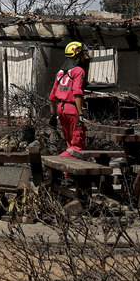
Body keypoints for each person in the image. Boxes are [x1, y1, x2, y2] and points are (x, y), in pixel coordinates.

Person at [48, 41, 91, 181]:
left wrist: (53, 115)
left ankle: (67, 176)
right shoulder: (79, 71)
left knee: (70, 144)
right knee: (77, 146)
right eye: (84, 54)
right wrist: (81, 114)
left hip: (61, 110)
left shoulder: (60, 73)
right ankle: (55, 163)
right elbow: (77, 93)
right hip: (72, 110)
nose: (87, 57)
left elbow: (52, 96)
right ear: (78, 55)